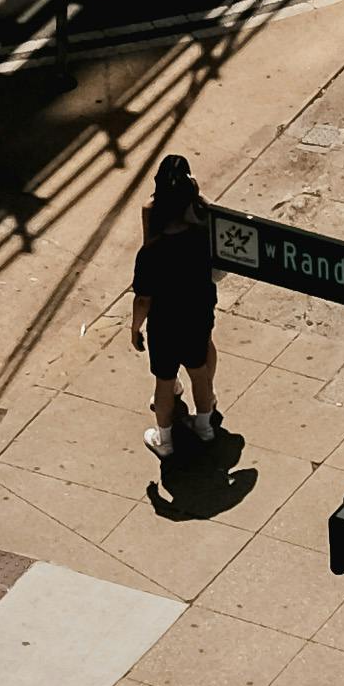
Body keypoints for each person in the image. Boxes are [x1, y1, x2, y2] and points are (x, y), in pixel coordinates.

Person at [131, 155, 226, 464]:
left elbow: (143, 298)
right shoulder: (200, 236)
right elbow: (213, 216)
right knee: (200, 372)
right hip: (197, 311)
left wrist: (135, 328)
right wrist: (196, 194)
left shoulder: (151, 253)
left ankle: (165, 439)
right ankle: (205, 426)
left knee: (163, 381)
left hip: (166, 321)